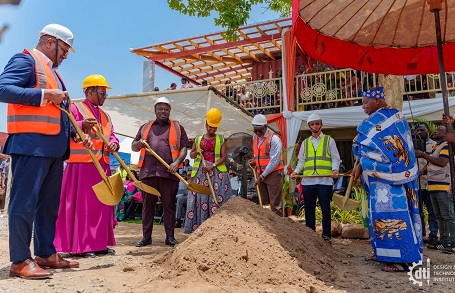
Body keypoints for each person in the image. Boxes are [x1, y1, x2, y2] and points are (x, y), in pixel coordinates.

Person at [0, 23, 83, 279]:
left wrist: (77, 128)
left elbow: (57, 114)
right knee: (23, 204)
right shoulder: (26, 61)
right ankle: (20, 260)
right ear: (50, 42)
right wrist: (46, 94)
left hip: (53, 149)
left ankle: (45, 253)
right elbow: (3, 89)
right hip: (31, 146)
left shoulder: (53, 73)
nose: (64, 57)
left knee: (48, 205)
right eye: (64, 51)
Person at [352, 87, 423, 272]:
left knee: (394, 217)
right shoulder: (394, 118)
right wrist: (362, 164)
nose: (363, 107)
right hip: (380, 181)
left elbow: (367, 146)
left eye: (365, 103)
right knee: (379, 217)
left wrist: (364, 162)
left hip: (392, 183)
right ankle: (382, 253)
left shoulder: (391, 119)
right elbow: (371, 149)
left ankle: (402, 259)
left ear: (376, 101)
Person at [54, 74, 119, 258]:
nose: (105, 96)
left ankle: (99, 244)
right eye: (102, 93)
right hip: (83, 165)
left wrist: (114, 143)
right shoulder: (76, 108)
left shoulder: (106, 115)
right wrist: (82, 124)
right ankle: (83, 246)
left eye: (105, 93)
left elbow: (111, 134)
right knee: (84, 208)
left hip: (103, 165)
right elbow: (66, 128)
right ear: (89, 92)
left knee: (102, 206)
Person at [132, 96, 190, 247]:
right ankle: (146, 237)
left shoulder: (178, 127)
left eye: (166, 109)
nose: (163, 111)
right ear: (155, 110)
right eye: (160, 109)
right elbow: (134, 146)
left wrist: (177, 162)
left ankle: (170, 237)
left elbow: (184, 147)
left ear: (170, 110)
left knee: (169, 205)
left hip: (169, 173)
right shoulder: (145, 127)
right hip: (148, 172)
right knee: (147, 206)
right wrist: (139, 143)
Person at [291, 113, 341, 240]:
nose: (315, 126)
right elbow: (301, 161)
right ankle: (310, 235)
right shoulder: (305, 143)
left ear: (321, 124)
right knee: (309, 209)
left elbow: (335, 158)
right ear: (309, 126)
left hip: (325, 180)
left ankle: (326, 236)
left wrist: (335, 169)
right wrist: (296, 171)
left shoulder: (329, 140)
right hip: (308, 181)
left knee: (325, 209)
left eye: (317, 123)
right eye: (312, 124)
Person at [185, 108, 232, 233]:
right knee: (201, 197)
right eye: (211, 127)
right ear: (206, 124)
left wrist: (213, 166)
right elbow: (192, 155)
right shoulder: (198, 138)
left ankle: (217, 229)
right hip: (201, 173)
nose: (213, 130)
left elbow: (224, 157)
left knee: (216, 197)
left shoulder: (222, 139)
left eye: (215, 128)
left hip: (216, 173)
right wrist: (197, 151)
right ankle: (199, 228)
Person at [416, 125, 455, 253]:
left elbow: (442, 162)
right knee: (439, 216)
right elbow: (431, 163)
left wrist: (423, 155)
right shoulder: (436, 147)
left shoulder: (445, 146)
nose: (436, 131)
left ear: (445, 134)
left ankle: (452, 242)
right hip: (432, 185)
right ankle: (444, 242)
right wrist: (421, 172)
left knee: (447, 215)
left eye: (439, 130)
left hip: (442, 185)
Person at [248, 114, 284, 216]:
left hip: (273, 174)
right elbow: (259, 155)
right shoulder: (255, 138)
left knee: (275, 205)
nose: (258, 133)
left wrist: (262, 176)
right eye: (256, 130)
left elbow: (274, 161)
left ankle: (278, 229)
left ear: (266, 127)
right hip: (261, 173)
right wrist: (254, 161)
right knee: (264, 204)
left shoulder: (274, 139)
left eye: (260, 130)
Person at [414, 123, 438, 247]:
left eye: (422, 130)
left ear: (428, 130)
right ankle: (420, 235)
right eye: (417, 130)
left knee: (432, 211)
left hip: (430, 184)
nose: (420, 132)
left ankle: (433, 236)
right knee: (417, 211)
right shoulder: (412, 146)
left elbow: (436, 163)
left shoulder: (434, 145)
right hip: (416, 185)